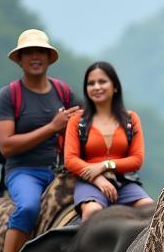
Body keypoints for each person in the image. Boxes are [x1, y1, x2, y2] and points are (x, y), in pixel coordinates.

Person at [0, 28, 81, 252]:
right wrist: (52, 127)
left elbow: (80, 127)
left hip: (61, 170)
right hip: (24, 170)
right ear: (19, 60)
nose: (35, 57)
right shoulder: (9, 96)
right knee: (28, 207)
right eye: (28, 53)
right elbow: (6, 145)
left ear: (49, 58)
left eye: (40, 52)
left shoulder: (63, 92)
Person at [63, 61, 154, 219]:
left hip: (124, 181)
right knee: (92, 212)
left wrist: (105, 165)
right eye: (91, 83)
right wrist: (98, 178)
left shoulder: (130, 119)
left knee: (152, 209)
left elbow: (136, 160)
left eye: (102, 81)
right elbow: (70, 159)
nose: (97, 87)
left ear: (115, 86)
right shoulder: (77, 120)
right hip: (89, 182)